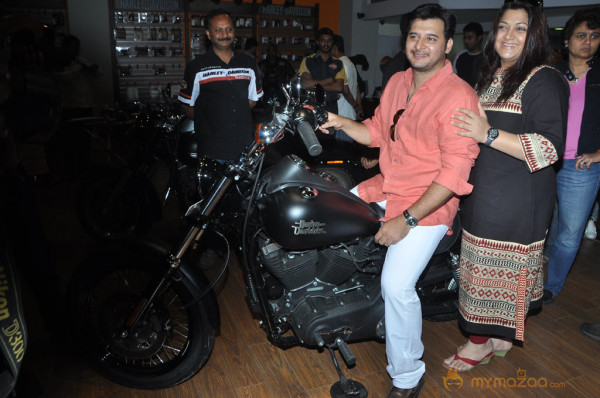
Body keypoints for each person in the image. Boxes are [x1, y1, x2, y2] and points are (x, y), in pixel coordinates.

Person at [320, 4, 480, 397]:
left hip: (428, 204)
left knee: (396, 285)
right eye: (414, 36)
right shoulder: (397, 81)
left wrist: (405, 220)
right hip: (387, 185)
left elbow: (453, 176)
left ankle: (407, 376)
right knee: (326, 214)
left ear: (447, 44)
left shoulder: (458, 95)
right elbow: (376, 131)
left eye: (431, 37)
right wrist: (342, 123)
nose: (420, 44)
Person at [443, 0, 569, 372]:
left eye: (520, 28)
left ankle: (478, 342)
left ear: (535, 35)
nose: (509, 35)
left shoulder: (544, 79)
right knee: (477, 267)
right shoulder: (491, 74)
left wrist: (489, 133)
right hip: (484, 190)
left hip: (516, 199)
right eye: (503, 26)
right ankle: (497, 337)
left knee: (487, 269)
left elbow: (549, 148)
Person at [543, 6, 600, 305]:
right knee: (542, 224)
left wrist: (599, 154)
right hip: (545, 162)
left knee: (568, 234)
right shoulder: (552, 76)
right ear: (566, 41)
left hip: (580, 167)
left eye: (594, 36)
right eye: (580, 35)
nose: (587, 41)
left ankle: (551, 286)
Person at [178, 8, 263, 161]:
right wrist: (214, 122)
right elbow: (188, 107)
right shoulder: (196, 67)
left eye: (228, 29)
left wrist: (231, 114)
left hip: (244, 147)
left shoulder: (248, 64)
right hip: (212, 150)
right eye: (218, 30)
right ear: (209, 34)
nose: (224, 35)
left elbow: (252, 100)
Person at [298, 27, 346, 114]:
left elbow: (339, 87)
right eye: (323, 40)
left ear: (332, 43)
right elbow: (305, 84)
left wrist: (315, 86)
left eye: (329, 41)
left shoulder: (338, 63)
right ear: (317, 42)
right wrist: (329, 81)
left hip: (331, 107)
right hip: (312, 107)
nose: (326, 43)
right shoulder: (308, 61)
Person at [331, 34, 362, 142]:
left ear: (334, 47)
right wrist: (358, 106)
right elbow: (357, 87)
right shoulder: (350, 63)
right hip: (350, 117)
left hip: (342, 118)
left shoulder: (340, 64)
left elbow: (345, 89)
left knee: (340, 154)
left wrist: (355, 105)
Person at [452, 22, 484, 87]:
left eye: (470, 37)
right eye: (465, 37)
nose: (466, 41)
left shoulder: (487, 57)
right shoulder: (460, 56)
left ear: (479, 38)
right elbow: (453, 77)